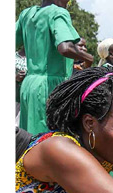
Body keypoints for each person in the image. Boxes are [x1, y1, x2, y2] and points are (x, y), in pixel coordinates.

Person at [17, 0, 95, 136]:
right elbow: (65, 48)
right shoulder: (58, 13)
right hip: (50, 87)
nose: (67, 3)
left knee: (28, 137)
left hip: (29, 85)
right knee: (47, 139)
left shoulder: (26, 14)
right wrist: (88, 58)